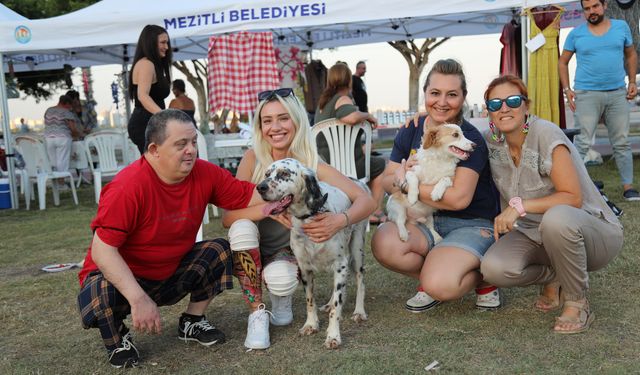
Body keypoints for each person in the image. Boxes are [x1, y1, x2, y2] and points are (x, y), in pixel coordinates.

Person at [76, 109, 263, 368]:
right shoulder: (127, 187)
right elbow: (102, 252)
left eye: (193, 142)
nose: (191, 150)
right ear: (154, 150)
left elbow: (249, 195)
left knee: (219, 249)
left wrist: (295, 188)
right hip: (123, 277)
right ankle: (117, 339)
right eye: (181, 144)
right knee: (99, 289)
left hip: (169, 271)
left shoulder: (205, 173)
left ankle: (192, 321)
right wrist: (138, 298)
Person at [222, 88, 375, 350]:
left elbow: (367, 200)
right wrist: (267, 210)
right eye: (267, 120)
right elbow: (227, 217)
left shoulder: (311, 165)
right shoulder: (252, 159)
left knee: (285, 288)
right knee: (241, 227)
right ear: (260, 126)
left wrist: (340, 220)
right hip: (259, 249)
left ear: (296, 121)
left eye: (283, 118)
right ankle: (256, 311)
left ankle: (282, 296)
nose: (275, 127)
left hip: (293, 253)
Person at [479, 75, 623, 334]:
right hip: (534, 236)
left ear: (526, 105)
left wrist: (520, 207)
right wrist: (423, 122)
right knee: (494, 269)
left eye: (512, 100)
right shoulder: (490, 141)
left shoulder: (545, 133)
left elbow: (572, 197)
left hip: (591, 232)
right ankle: (556, 275)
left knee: (556, 217)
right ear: (487, 111)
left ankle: (577, 301)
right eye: (495, 103)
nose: (504, 108)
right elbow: (455, 138)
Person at [371, 59, 501, 313]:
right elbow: (388, 181)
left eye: (451, 94)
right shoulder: (411, 129)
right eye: (435, 93)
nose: (442, 102)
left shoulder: (469, 139)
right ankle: (438, 272)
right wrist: (400, 178)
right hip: (428, 219)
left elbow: (457, 199)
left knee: (440, 284)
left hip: (470, 222)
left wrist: (408, 186)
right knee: (384, 242)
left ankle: (482, 279)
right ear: (425, 95)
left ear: (463, 98)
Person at [558, 0, 638, 201]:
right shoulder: (576, 33)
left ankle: (628, 188)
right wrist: (567, 89)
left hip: (617, 92)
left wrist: (632, 82)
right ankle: (573, 189)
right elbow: (562, 62)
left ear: (604, 5)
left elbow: (631, 54)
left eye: (595, 6)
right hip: (587, 94)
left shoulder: (621, 27)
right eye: (587, 8)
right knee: (582, 142)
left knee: (621, 142)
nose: (591, 11)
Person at [314, 63, 387, 224]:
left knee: (367, 158)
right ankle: (374, 211)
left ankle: (356, 204)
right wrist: (367, 115)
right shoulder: (342, 98)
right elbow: (351, 118)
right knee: (380, 164)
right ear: (348, 81)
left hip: (326, 164)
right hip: (346, 165)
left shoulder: (323, 102)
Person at [127, 25, 172, 154]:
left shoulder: (151, 64)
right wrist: (166, 117)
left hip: (151, 122)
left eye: (167, 42)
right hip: (144, 124)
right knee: (155, 167)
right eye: (163, 42)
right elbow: (143, 96)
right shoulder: (146, 64)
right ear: (151, 43)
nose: (167, 47)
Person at [44, 95, 81, 189]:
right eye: (70, 105)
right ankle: (61, 184)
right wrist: (77, 134)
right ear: (67, 103)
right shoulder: (66, 112)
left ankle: (55, 183)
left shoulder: (48, 110)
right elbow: (72, 128)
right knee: (62, 160)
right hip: (63, 138)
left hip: (48, 138)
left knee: (53, 161)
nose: (70, 108)